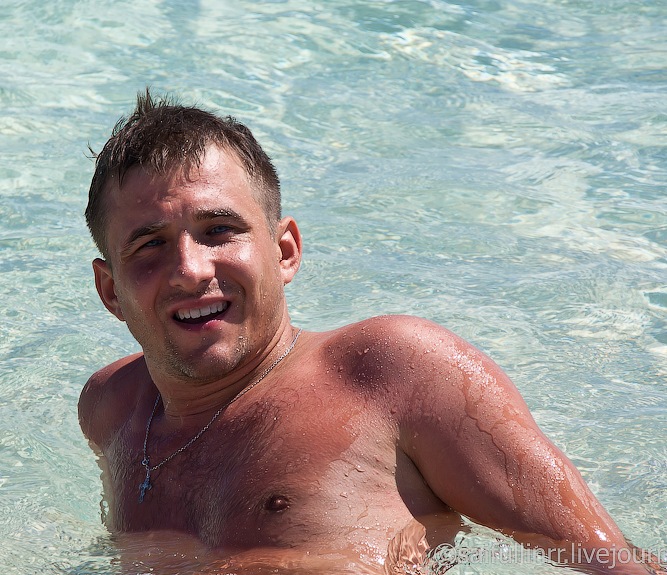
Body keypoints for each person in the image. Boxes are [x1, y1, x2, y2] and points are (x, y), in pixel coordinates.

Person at [79, 90, 664, 575]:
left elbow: (612, 564)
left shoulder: (393, 373)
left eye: (219, 230)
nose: (189, 269)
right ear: (111, 292)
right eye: (149, 244)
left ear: (284, 251)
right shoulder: (111, 409)